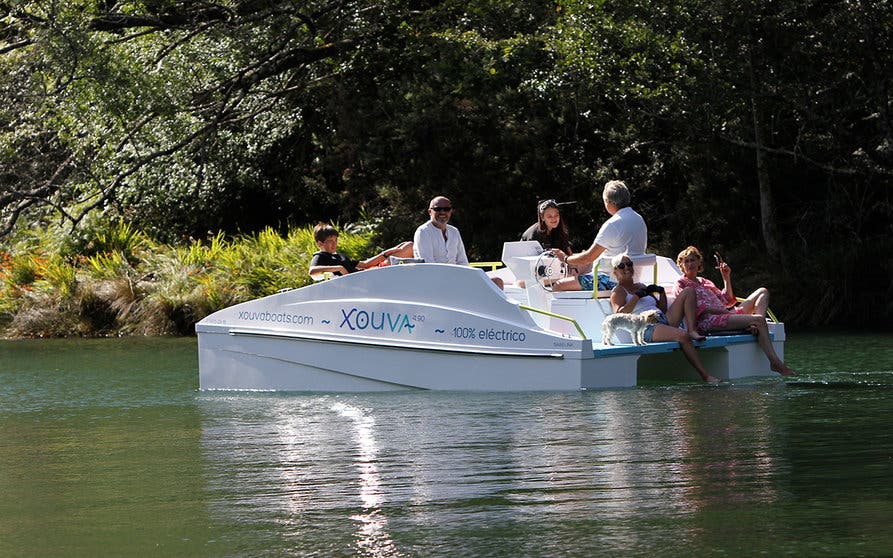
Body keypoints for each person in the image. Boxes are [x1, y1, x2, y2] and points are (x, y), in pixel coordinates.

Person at [673, 246, 795, 376]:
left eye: (692, 260)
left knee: (762, 292)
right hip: (708, 321)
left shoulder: (705, 281)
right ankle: (774, 361)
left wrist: (726, 278)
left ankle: (754, 325)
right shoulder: (681, 283)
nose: (690, 264)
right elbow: (696, 309)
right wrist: (724, 312)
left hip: (726, 314)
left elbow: (727, 300)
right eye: (686, 261)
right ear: (681, 265)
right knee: (759, 319)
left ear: (699, 263)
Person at [608, 253, 719, 383]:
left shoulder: (641, 286)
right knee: (683, 337)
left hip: (661, 318)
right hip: (646, 327)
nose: (626, 267)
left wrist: (661, 293)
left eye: (629, 264)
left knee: (689, 291)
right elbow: (619, 315)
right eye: (622, 265)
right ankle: (706, 376)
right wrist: (636, 297)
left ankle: (692, 329)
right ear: (615, 271)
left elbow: (662, 309)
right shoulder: (618, 292)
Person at [551, 180, 647, 291]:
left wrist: (566, 259)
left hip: (611, 279)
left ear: (608, 201)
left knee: (558, 285)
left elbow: (589, 257)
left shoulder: (613, 224)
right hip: (633, 278)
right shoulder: (639, 219)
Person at [413, 195, 504, 288]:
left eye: (446, 209)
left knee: (497, 282)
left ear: (451, 212)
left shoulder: (454, 231)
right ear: (430, 212)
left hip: (456, 279)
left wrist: (468, 278)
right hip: (435, 282)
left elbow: (462, 262)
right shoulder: (423, 232)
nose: (442, 212)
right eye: (438, 209)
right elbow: (429, 266)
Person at [309, 223, 413, 277]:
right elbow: (312, 272)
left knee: (406, 245)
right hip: (364, 279)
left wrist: (385, 253)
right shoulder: (320, 256)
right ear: (320, 243)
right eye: (330, 241)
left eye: (336, 240)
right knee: (409, 247)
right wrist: (339, 268)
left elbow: (365, 264)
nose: (334, 243)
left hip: (368, 272)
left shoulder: (340, 256)